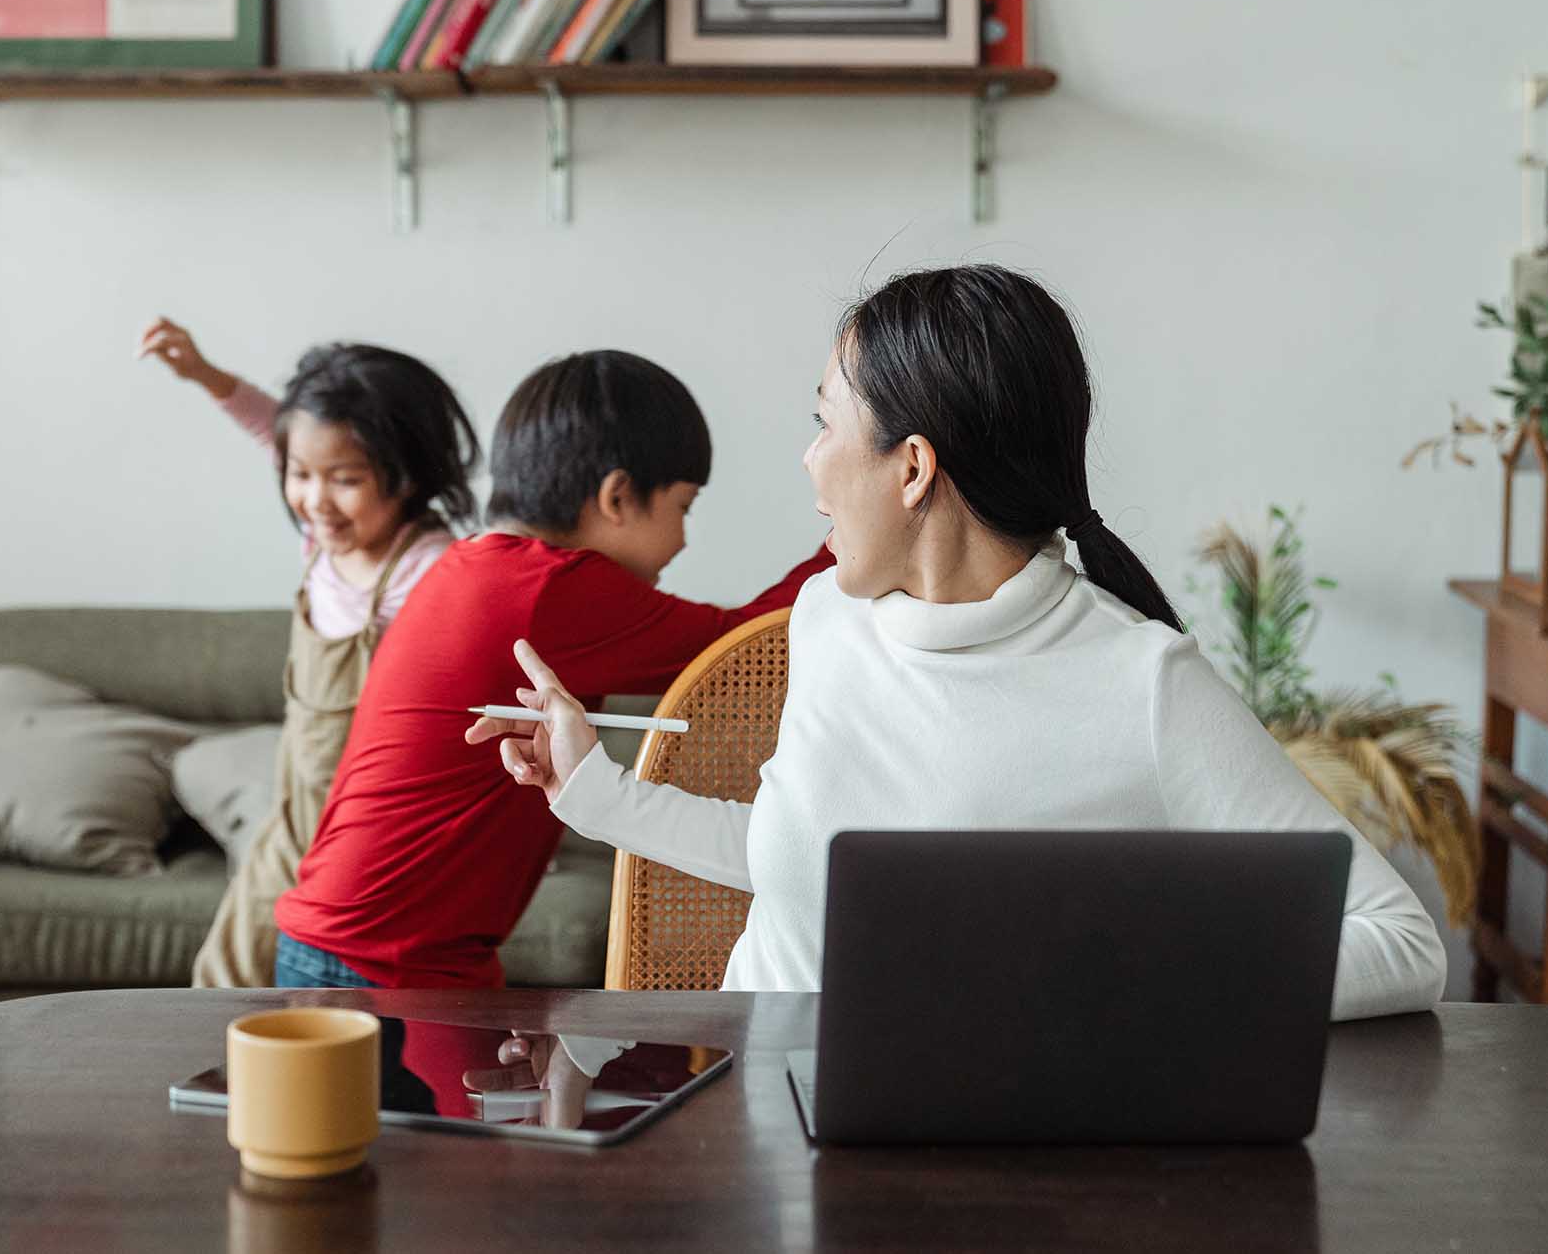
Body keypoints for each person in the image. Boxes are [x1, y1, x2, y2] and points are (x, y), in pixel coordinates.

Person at [467, 266, 1447, 1022]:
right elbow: (805, 864)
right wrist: (593, 791)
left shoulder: (1142, 683)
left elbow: (1399, 941)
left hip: (980, 1163)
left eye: (821, 423)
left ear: (911, 468)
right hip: (755, 1130)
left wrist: (1117, 977)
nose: (808, 461)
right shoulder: (825, 619)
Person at [271, 349, 834, 990]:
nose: (682, 539)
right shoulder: (547, 589)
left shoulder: (478, 566)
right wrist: (852, 528)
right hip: (378, 964)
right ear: (618, 496)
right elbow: (741, 651)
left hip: (361, 946)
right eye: (683, 506)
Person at [136, 318, 479, 988]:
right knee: (224, 971)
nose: (315, 499)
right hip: (293, 807)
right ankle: (223, 1087)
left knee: (300, 985)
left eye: (345, 479)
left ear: (408, 473)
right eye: (300, 475)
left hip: (363, 830)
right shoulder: (326, 540)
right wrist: (207, 376)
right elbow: (277, 429)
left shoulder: (428, 570)